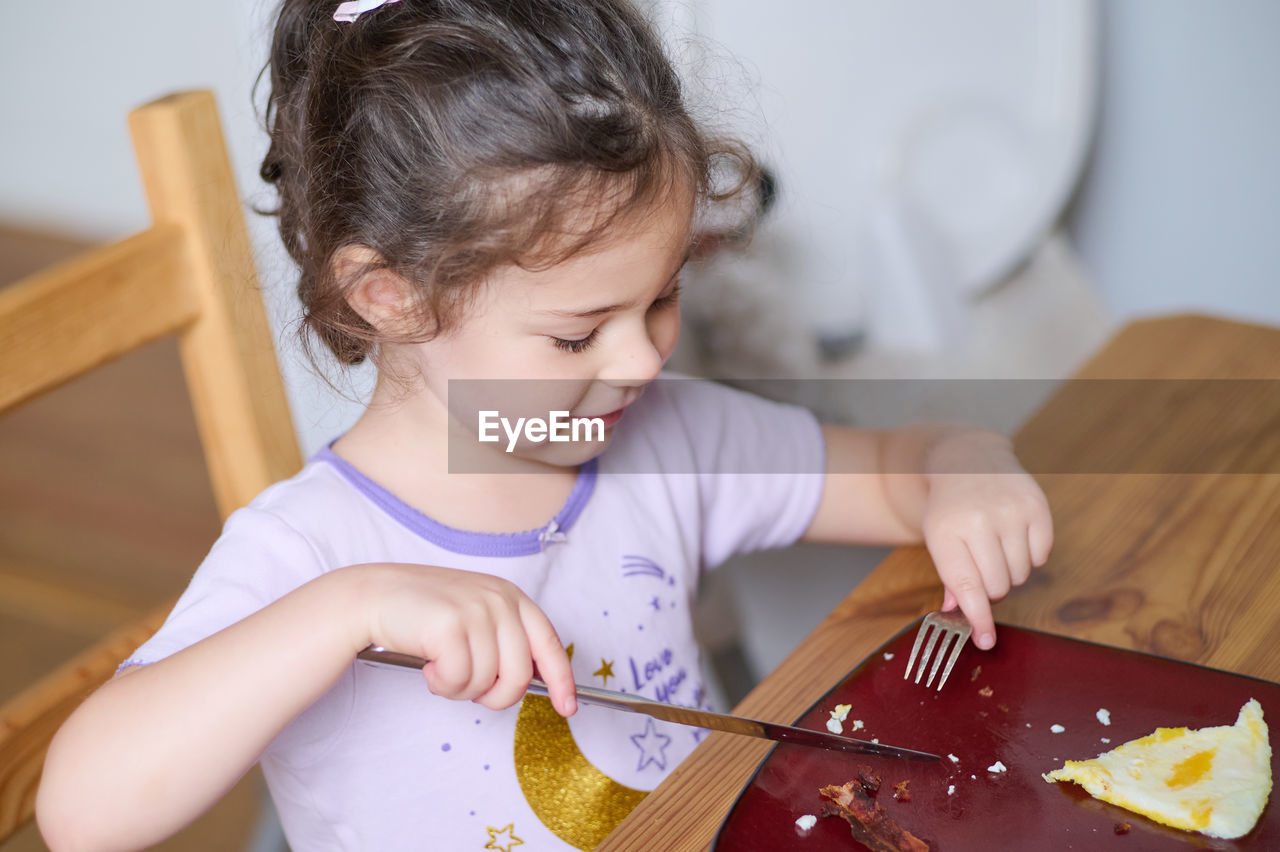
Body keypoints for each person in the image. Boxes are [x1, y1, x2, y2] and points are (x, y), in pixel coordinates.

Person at [36, 0, 1053, 849]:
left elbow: (891, 469)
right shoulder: (313, 555)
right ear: (391, 299)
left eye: (659, 299)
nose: (641, 359)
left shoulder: (668, 439)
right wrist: (347, 611)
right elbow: (83, 811)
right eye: (576, 337)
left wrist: (961, 465)